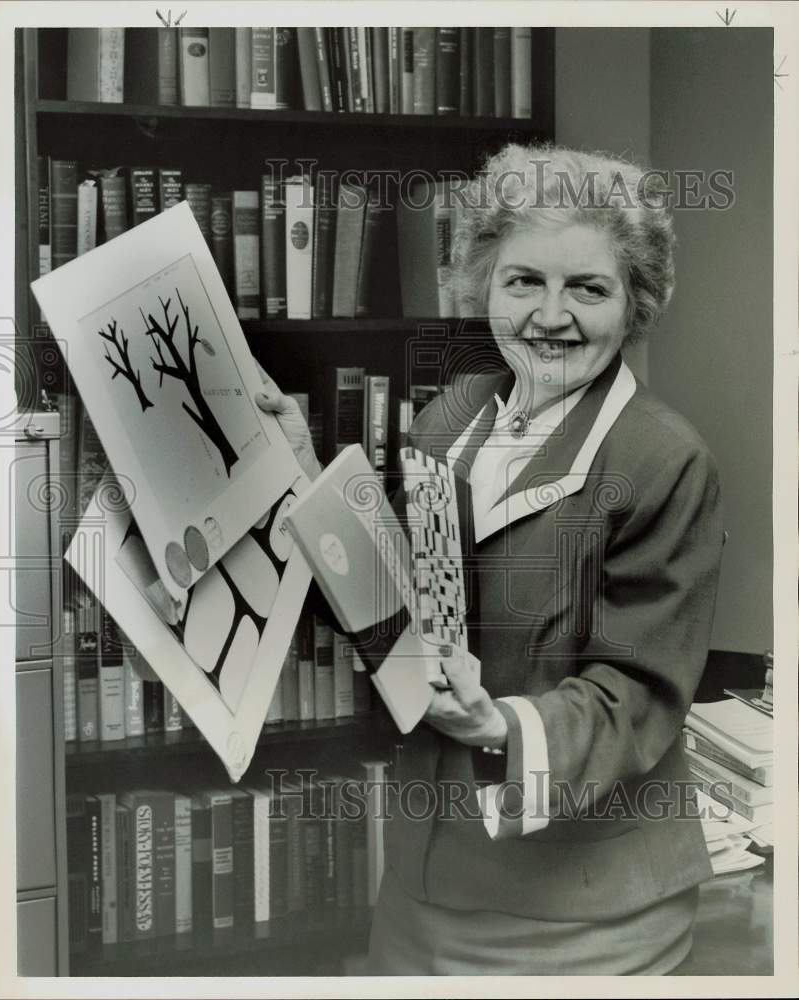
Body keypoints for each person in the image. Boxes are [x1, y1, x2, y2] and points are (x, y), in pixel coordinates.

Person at [256, 144, 725, 975]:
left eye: (588, 287)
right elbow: (391, 604)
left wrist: (493, 724)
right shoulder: (451, 417)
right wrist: (300, 475)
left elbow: (636, 696)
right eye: (524, 282)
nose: (551, 314)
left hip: (585, 913)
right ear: (483, 286)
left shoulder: (663, 459)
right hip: (422, 883)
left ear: (635, 303)